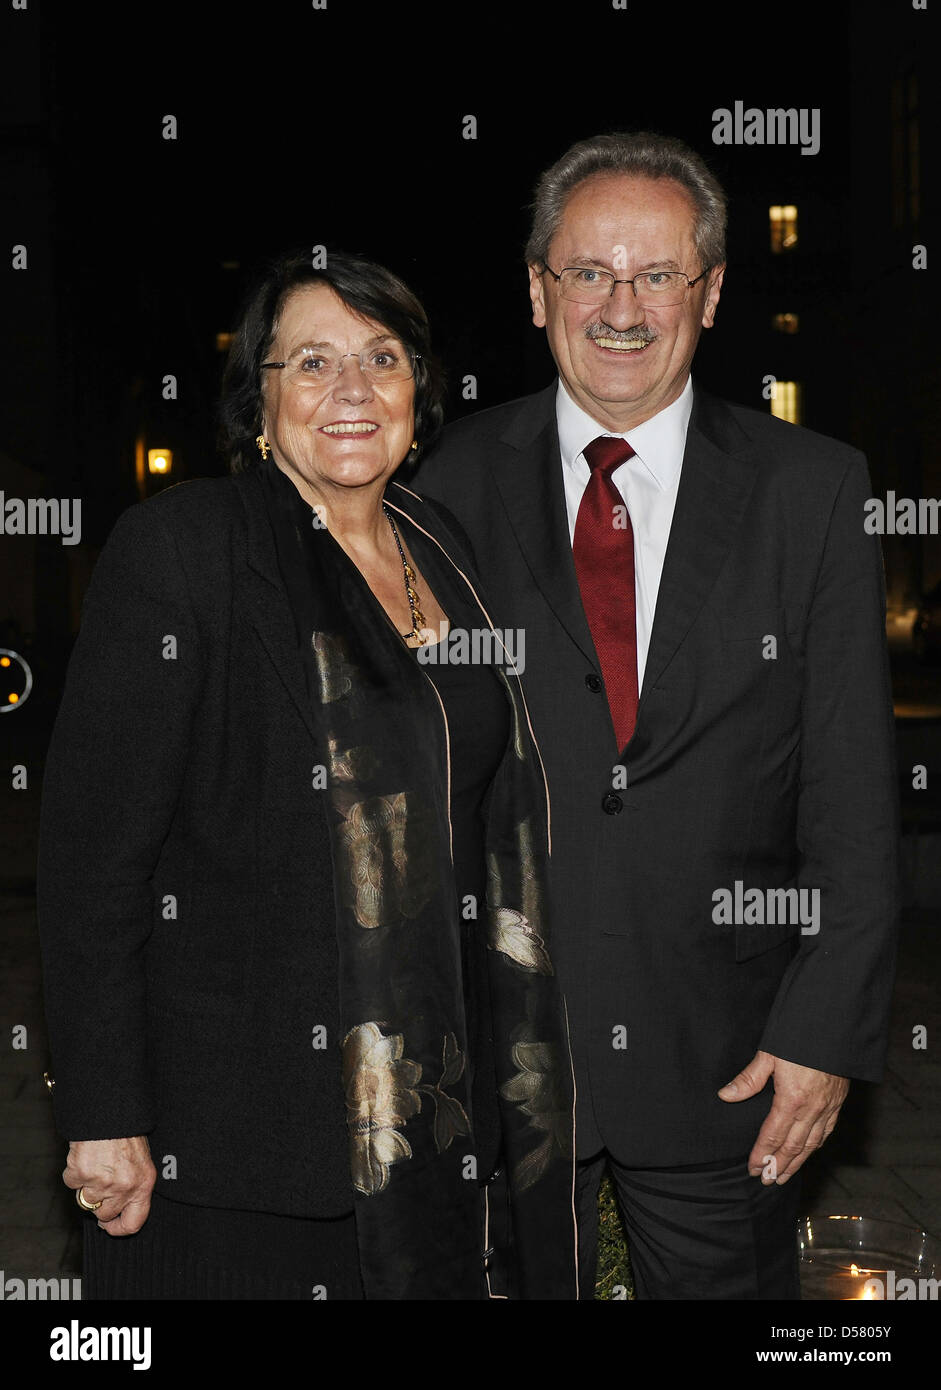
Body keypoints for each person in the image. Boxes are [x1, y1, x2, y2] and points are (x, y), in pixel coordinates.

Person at [412, 131, 900, 1300]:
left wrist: (825, 1031)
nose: (620, 307)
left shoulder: (813, 489)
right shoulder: (442, 488)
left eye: (656, 273)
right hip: (500, 1059)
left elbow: (848, 787)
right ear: (538, 293)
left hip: (729, 1060)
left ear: (712, 290)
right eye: (586, 273)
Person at [36, 249, 577, 1301]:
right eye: (311, 362)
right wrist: (106, 1117)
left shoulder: (443, 547)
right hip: (232, 1134)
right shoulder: (185, 551)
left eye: (380, 357)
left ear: (417, 390)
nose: (350, 389)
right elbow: (91, 861)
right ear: (260, 397)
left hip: (433, 1108)